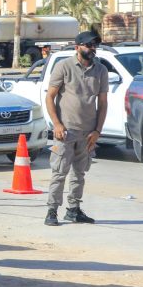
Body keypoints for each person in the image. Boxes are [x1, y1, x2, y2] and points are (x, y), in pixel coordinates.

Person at [43, 30, 107, 226]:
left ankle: (74, 210)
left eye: (94, 45)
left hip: (88, 133)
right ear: (77, 47)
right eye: (88, 45)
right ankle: (52, 211)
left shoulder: (101, 70)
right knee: (59, 172)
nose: (92, 49)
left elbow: (103, 103)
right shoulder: (64, 67)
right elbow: (50, 97)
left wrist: (97, 131)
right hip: (66, 131)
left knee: (79, 173)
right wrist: (57, 124)